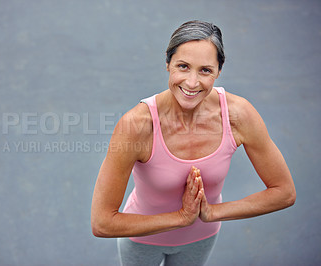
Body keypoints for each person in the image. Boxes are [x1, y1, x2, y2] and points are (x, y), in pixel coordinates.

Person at [91, 20, 296, 266]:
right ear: (167, 64)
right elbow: (102, 223)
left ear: (219, 71)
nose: (191, 82)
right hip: (141, 241)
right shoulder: (136, 125)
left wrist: (212, 213)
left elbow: (284, 193)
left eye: (205, 70)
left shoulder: (238, 115)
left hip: (202, 238)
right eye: (183, 66)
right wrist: (181, 217)